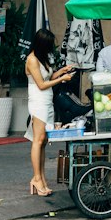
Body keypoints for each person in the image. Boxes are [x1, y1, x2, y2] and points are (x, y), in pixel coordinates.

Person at [25, 28, 75, 196]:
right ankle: (37, 179)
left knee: (43, 140)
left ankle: (41, 178)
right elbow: (41, 84)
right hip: (38, 102)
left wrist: (61, 71)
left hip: (46, 101)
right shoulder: (32, 60)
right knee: (37, 140)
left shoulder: (41, 58)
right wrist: (62, 79)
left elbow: (48, 77)